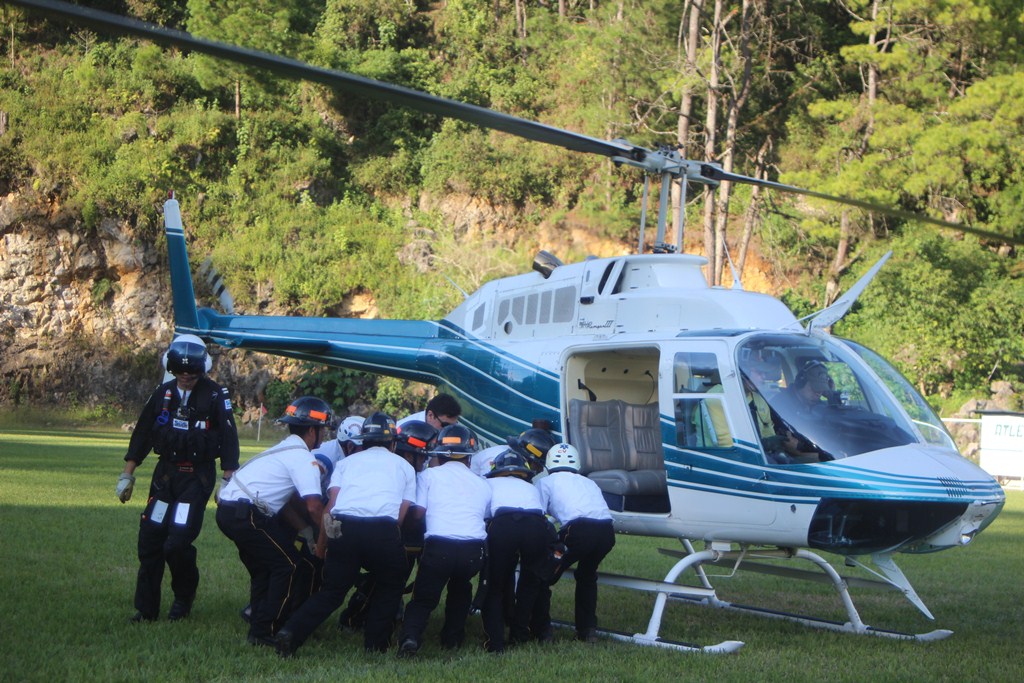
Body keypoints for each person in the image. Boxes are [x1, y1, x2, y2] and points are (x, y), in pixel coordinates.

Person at [116, 335, 239, 623]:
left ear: (201, 370)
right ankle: (146, 610)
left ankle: (183, 598)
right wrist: (127, 474)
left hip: (196, 479)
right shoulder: (163, 394)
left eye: (192, 374)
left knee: (177, 542)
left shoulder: (215, 395)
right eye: (180, 373)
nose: (186, 378)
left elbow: (229, 437)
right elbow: (144, 432)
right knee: (151, 539)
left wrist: (227, 479)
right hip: (166, 477)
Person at [275, 412, 416, 656]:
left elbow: (330, 507)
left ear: (363, 440)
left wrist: (322, 547)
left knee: (332, 591)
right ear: (393, 443)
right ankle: (375, 644)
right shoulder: (404, 466)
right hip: (383, 529)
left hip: (344, 528)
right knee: (390, 585)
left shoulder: (346, 463)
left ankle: (291, 632)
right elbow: (401, 514)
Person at [215, 396, 331, 646]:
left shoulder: (282, 449)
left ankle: (258, 623)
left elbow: (285, 503)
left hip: (229, 511)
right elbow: (313, 506)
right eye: (323, 430)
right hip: (246, 515)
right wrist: (327, 537)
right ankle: (266, 630)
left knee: (264, 569)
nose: (323, 436)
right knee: (288, 565)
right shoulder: (302, 458)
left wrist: (306, 533)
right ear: (313, 430)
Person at [397, 424, 490, 657]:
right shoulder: (482, 483)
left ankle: (410, 638)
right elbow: (484, 517)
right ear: (470, 458)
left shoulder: (428, 476)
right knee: (461, 590)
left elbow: (417, 514)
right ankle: (453, 639)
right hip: (473, 550)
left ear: (438, 454)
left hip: (439, 547)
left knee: (423, 598)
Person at [535, 442, 615, 643]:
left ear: (548, 464)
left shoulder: (546, 482)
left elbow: (539, 515)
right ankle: (587, 631)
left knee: (543, 576)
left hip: (578, 531)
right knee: (587, 577)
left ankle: (542, 631)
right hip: (606, 532)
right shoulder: (588, 482)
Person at [480, 450, 552, 653]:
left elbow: (484, 515)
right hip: (536, 525)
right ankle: (520, 634)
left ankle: (495, 643)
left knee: (495, 585)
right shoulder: (530, 487)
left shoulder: (489, 484)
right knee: (530, 583)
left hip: (503, 523)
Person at [773, 361, 834, 463]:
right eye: (814, 388)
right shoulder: (780, 404)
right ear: (800, 383)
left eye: (821, 390)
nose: (818, 394)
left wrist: (832, 398)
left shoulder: (820, 405)